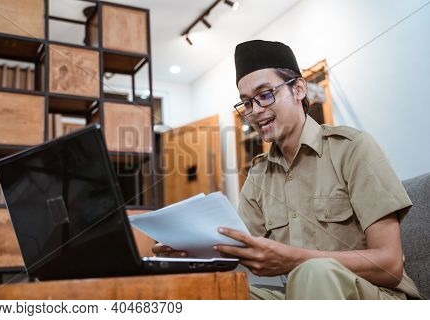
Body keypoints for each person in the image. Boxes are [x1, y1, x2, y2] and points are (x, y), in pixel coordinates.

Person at [153, 40, 421, 300]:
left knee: (314, 272)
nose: (256, 111)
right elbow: (237, 251)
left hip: (376, 295)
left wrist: (293, 260)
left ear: (299, 89)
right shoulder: (258, 175)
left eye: (266, 95)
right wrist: (188, 253)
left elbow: (390, 263)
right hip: (300, 296)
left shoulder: (352, 148)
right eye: (247, 102)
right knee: (210, 291)